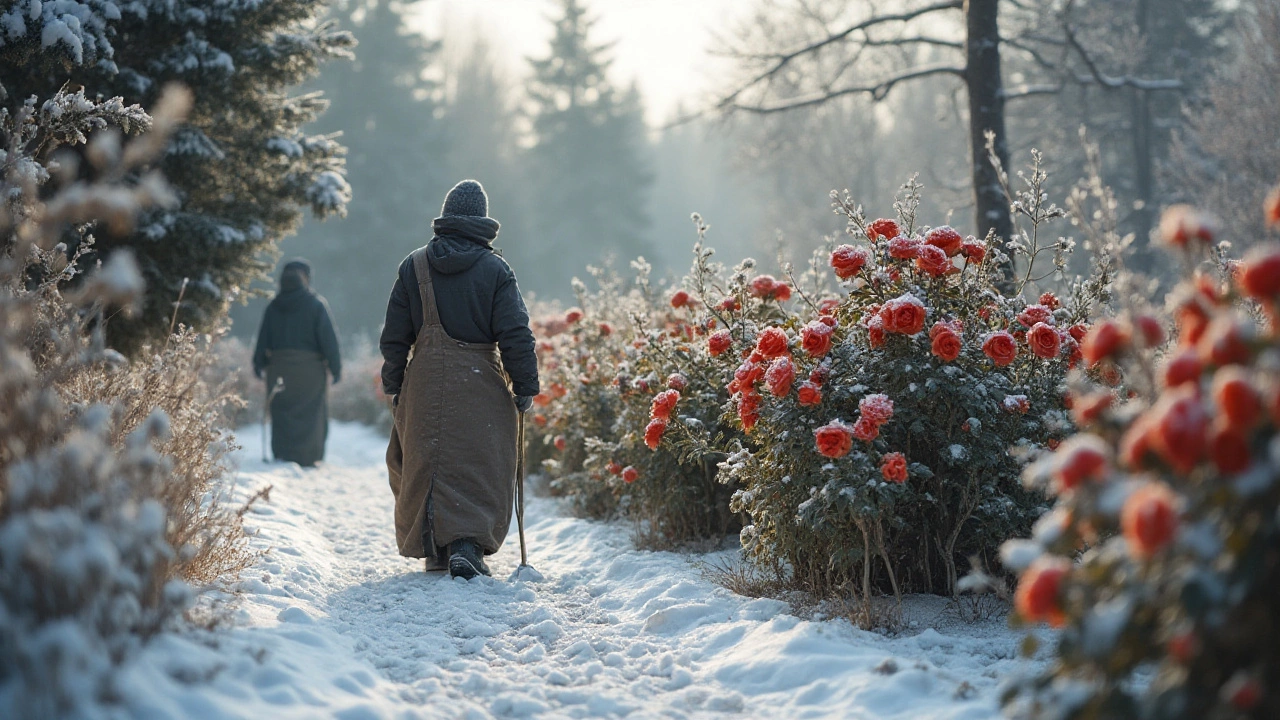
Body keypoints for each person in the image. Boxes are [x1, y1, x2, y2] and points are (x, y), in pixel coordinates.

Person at [380, 179, 539, 579]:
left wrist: (395, 385)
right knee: (478, 461)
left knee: (424, 459)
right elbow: (516, 334)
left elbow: (394, 336)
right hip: (481, 380)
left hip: (424, 381)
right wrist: (524, 386)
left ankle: (436, 544)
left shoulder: (413, 266)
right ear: (483, 222)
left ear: (446, 217)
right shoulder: (496, 270)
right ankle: (465, 544)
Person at [252, 259, 342, 467]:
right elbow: (329, 340)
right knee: (311, 412)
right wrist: (336, 368)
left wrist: (259, 363)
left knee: (282, 411)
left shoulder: (273, 306)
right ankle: (309, 456)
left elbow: (262, 339)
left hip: (279, 369)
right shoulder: (316, 304)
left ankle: (284, 454)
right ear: (306, 279)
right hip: (310, 371)